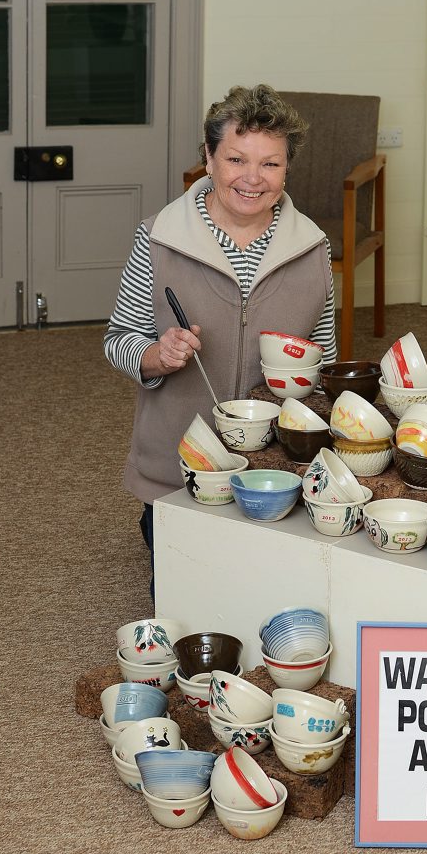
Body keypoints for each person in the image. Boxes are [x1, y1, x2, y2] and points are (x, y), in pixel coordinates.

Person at [104, 84, 337, 595]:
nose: (252, 179)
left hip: (276, 468)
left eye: (270, 165)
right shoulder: (158, 237)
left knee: (271, 595)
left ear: (287, 169)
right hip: (177, 467)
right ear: (208, 159)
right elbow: (119, 339)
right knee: (187, 598)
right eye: (236, 159)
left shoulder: (313, 248)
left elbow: (327, 362)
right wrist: (157, 357)